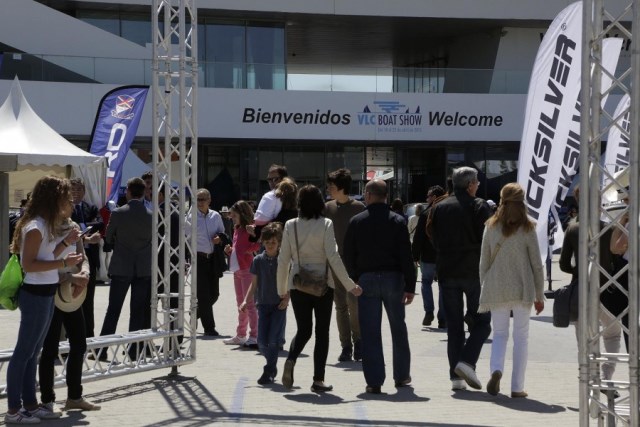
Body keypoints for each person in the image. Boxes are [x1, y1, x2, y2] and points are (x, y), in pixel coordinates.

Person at [6, 176, 83, 424]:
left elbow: (47, 254)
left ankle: (30, 405)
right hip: (35, 294)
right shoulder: (36, 226)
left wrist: (66, 244)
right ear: (53, 197)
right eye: (64, 195)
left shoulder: (44, 224)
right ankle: (14, 411)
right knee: (24, 353)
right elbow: (29, 264)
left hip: (45, 292)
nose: (69, 200)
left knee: (33, 353)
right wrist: (63, 262)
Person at [278, 185, 362, 393]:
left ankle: (291, 358)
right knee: (321, 333)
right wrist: (350, 285)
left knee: (303, 330)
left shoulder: (290, 225)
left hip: (298, 284)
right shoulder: (326, 224)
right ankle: (318, 379)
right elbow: (333, 257)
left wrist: (281, 290)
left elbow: (283, 260)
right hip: (323, 285)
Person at [343, 179, 416, 394]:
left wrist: (354, 278)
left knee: (370, 331)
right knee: (398, 328)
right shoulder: (398, 221)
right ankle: (401, 376)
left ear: (367, 195)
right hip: (394, 279)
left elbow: (349, 254)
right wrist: (410, 286)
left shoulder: (357, 221)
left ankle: (374, 381)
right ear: (386, 196)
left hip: (366, 280)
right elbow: (406, 255)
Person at [478, 183, 545, 398]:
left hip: (496, 287)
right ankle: (517, 387)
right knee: (521, 337)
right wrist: (540, 294)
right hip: (522, 288)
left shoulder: (490, 225)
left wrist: (484, 286)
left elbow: (483, 262)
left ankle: (496, 369)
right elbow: (537, 264)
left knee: (499, 334)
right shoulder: (528, 227)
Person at [430, 166, 492, 391]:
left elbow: (433, 237)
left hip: (447, 271)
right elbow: (488, 239)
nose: (477, 186)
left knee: (454, 325)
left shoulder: (439, 207)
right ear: (470, 185)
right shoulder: (479, 205)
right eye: (476, 182)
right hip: (474, 272)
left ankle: (455, 377)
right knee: (483, 323)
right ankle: (466, 362)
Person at [39, 203, 101, 417]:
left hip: (73, 295)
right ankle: (47, 401)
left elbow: (82, 256)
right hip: (53, 293)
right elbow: (43, 263)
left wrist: (84, 275)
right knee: (49, 349)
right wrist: (70, 277)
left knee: (79, 344)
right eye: (66, 200)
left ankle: (74, 396)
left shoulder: (73, 225)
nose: (71, 205)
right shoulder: (45, 227)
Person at [560, 185, 622, 388]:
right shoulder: (610, 228)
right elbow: (618, 260)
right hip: (607, 290)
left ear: (578, 202)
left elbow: (563, 264)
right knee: (613, 334)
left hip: (581, 291)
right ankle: (606, 375)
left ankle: (588, 378)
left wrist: (577, 272)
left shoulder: (572, 228)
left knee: (584, 341)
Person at [98, 177, 153, 360]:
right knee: (137, 311)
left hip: (122, 266)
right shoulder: (151, 215)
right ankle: (134, 350)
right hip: (143, 268)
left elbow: (108, 237)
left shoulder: (119, 213)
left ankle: (102, 350)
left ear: (128, 191)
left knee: (113, 309)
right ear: (144, 192)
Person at [324, 168, 365, 362]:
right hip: (333, 263)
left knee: (354, 305)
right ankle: (345, 346)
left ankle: (359, 343)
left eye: (331, 186)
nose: (329, 189)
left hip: (353, 264)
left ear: (341, 188)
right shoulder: (327, 208)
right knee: (339, 306)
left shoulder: (359, 208)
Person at [240, 222, 288, 385]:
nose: (270, 246)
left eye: (273, 242)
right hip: (263, 304)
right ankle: (271, 366)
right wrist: (246, 300)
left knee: (274, 340)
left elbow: (290, 283)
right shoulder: (258, 261)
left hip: (278, 305)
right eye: (267, 243)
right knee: (261, 342)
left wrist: (287, 298)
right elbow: (253, 284)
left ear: (279, 242)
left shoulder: (284, 260)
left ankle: (269, 370)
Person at [186, 188, 226, 336]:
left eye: (203, 199)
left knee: (214, 294)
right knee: (203, 295)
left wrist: (220, 239)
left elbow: (223, 233)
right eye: (198, 199)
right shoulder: (189, 218)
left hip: (213, 259)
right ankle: (209, 328)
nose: (201, 202)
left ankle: (195, 314)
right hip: (198, 259)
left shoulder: (216, 216)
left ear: (209, 200)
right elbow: (185, 240)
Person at [223, 201, 262, 346]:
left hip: (246, 270)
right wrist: (230, 251)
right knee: (240, 303)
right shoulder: (237, 228)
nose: (232, 217)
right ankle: (241, 334)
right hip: (237, 270)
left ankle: (255, 335)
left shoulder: (249, 228)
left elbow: (259, 242)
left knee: (249, 303)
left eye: (234, 215)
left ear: (242, 213)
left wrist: (249, 250)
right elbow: (238, 246)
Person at [70, 178, 103, 338]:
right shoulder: (66, 210)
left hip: (89, 261)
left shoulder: (90, 207)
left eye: (79, 190)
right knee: (71, 299)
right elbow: (69, 230)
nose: (76, 194)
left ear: (84, 192)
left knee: (88, 301)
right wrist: (86, 237)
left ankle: (88, 335)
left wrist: (82, 228)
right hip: (71, 262)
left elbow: (99, 223)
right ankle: (71, 336)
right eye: (73, 190)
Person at [412, 185, 447, 329]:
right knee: (443, 286)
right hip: (444, 256)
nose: (426, 199)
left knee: (426, 283)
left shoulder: (426, 214)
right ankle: (442, 318)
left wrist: (415, 256)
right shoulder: (447, 211)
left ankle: (429, 311)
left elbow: (418, 237)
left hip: (427, 256)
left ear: (434, 197)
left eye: (428, 196)